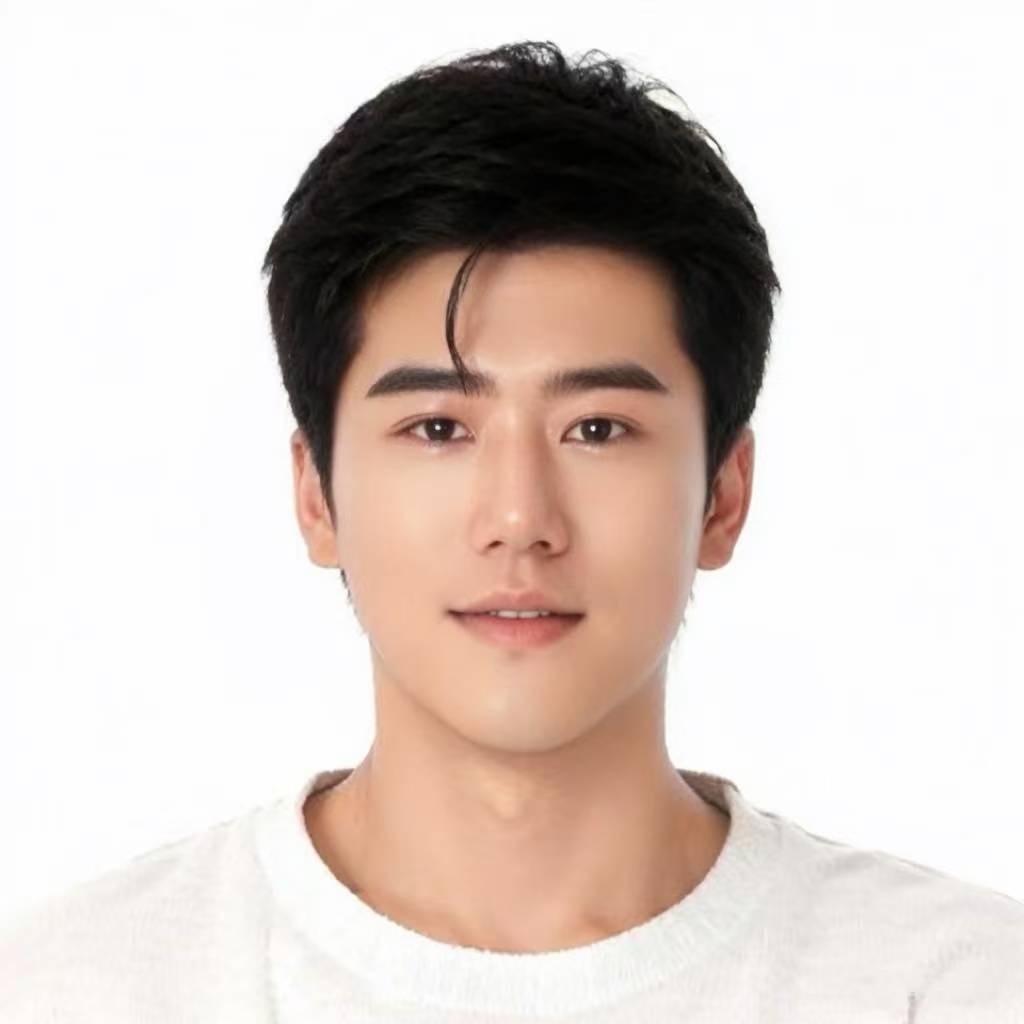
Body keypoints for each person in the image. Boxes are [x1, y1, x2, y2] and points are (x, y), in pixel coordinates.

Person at [2, 39, 1021, 1023]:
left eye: (597, 429)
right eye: (438, 428)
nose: (519, 520)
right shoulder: (77, 990)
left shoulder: (953, 986)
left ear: (722, 494)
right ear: (316, 495)